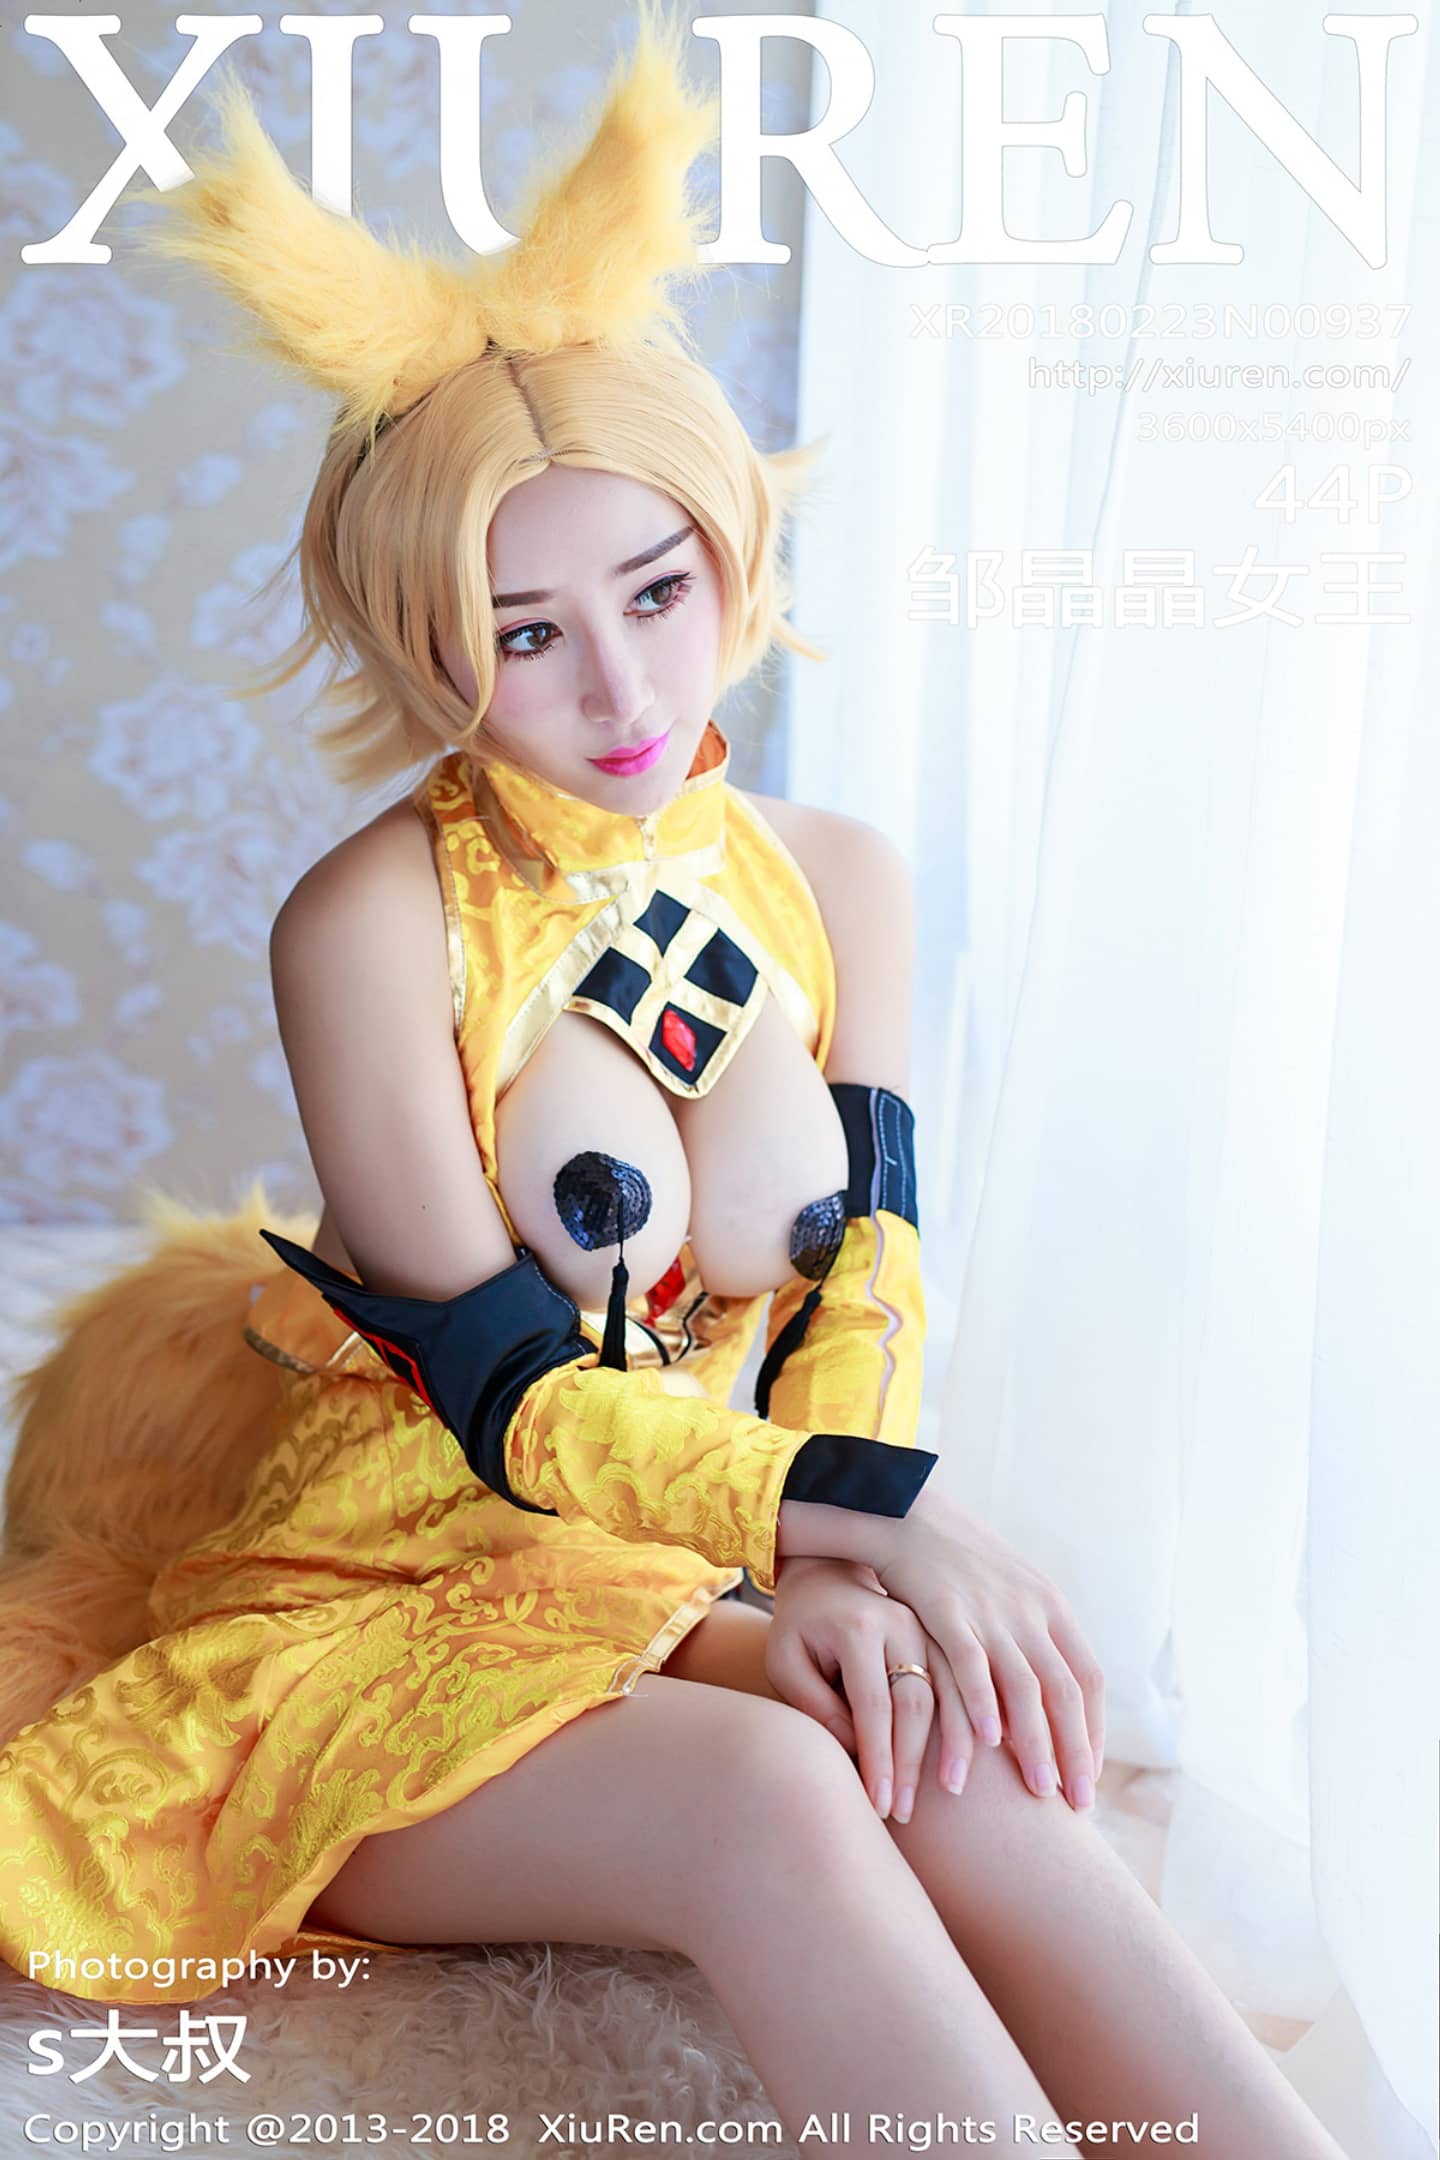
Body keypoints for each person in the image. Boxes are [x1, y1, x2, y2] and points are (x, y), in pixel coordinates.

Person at [0, 10, 1348, 2155]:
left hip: (680, 1579)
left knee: (963, 1764)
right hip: (386, 1607)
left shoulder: (840, 879)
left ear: (732, 550)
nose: (621, 683)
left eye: (658, 587)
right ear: (426, 641)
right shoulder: (368, 924)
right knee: (779, 1795)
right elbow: (513, 1395)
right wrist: (889, 1514)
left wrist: (842, 1563)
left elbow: (863, 1290)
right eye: (526, 631)